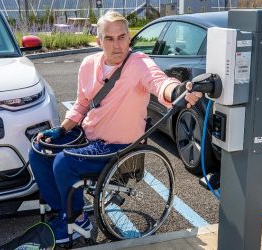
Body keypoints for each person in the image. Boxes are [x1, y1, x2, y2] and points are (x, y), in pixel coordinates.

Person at [28, 10, 202, 244]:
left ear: (129, 38)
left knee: (63, 163)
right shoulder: (89, 64)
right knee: (38, 151)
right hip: (89, 137)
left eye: (122, 37)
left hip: (118, 148)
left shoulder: (138, 63)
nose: (117, 45)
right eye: (109, 38)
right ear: (99, 41)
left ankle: (77, 220)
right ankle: (63, 211)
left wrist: (178, 91)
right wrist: (60, 130)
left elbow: (160, 82)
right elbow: (81, 105)